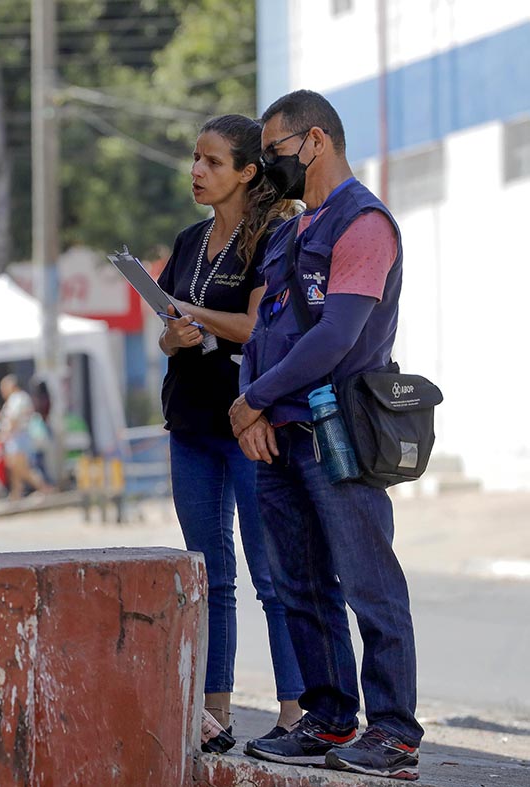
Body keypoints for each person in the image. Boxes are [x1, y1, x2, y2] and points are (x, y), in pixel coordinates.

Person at [230, 90, 421, 780]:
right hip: (281, 435)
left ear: (314, 141)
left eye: (273, 151)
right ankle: (329, 716)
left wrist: (251, 400)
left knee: (368, 585)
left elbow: (338, 338)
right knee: (299, 584)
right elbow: (266, 333)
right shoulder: (290, 232)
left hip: (339, 432)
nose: (264, 164)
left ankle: (394, 732)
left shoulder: (363, 225)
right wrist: (253, 408)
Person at [155, 114, 305, 752]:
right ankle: (215, 710)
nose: (197, 171)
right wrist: (176, 332)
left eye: (213, 162)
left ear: (247, 172)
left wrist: (195, 316)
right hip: (189, 423)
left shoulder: (274, 236)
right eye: (195, 158)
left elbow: (257, 327)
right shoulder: (189, 242)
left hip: (251, 423)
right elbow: (166, 335)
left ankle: (299, 712)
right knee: (208, 575)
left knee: (272, 576)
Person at [0, 374, 53, 501]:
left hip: (18, 438)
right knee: (14, 468)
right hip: (15, 438)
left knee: (21, 468)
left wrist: (4, 434)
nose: (2, 391)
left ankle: (44, 488)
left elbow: (13, 419)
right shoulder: (17, 398)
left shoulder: (18, 398)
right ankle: (16, 493)